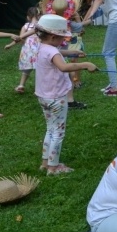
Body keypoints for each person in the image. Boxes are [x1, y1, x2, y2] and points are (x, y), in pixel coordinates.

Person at [34, 15, 98, 175]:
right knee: (58, 132)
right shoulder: (53, 52)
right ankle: (53, 167)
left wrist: (72, 52)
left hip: (43, 96)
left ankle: (45, 162)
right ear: (53, 36)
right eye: (61, 38)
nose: (63, 40)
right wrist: (85, 65)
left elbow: (57, 51)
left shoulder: (41, 46)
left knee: (50, 129)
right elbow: (63, 67)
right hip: (57, 98)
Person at [14, 7, 41, 94]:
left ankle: (21, 85)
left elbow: (20, 39)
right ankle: (38, 88)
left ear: (28, 17)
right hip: (39, 50)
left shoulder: (25, 26)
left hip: (28, 50)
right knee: (40, 70)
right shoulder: (42, 26)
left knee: (26, 70)